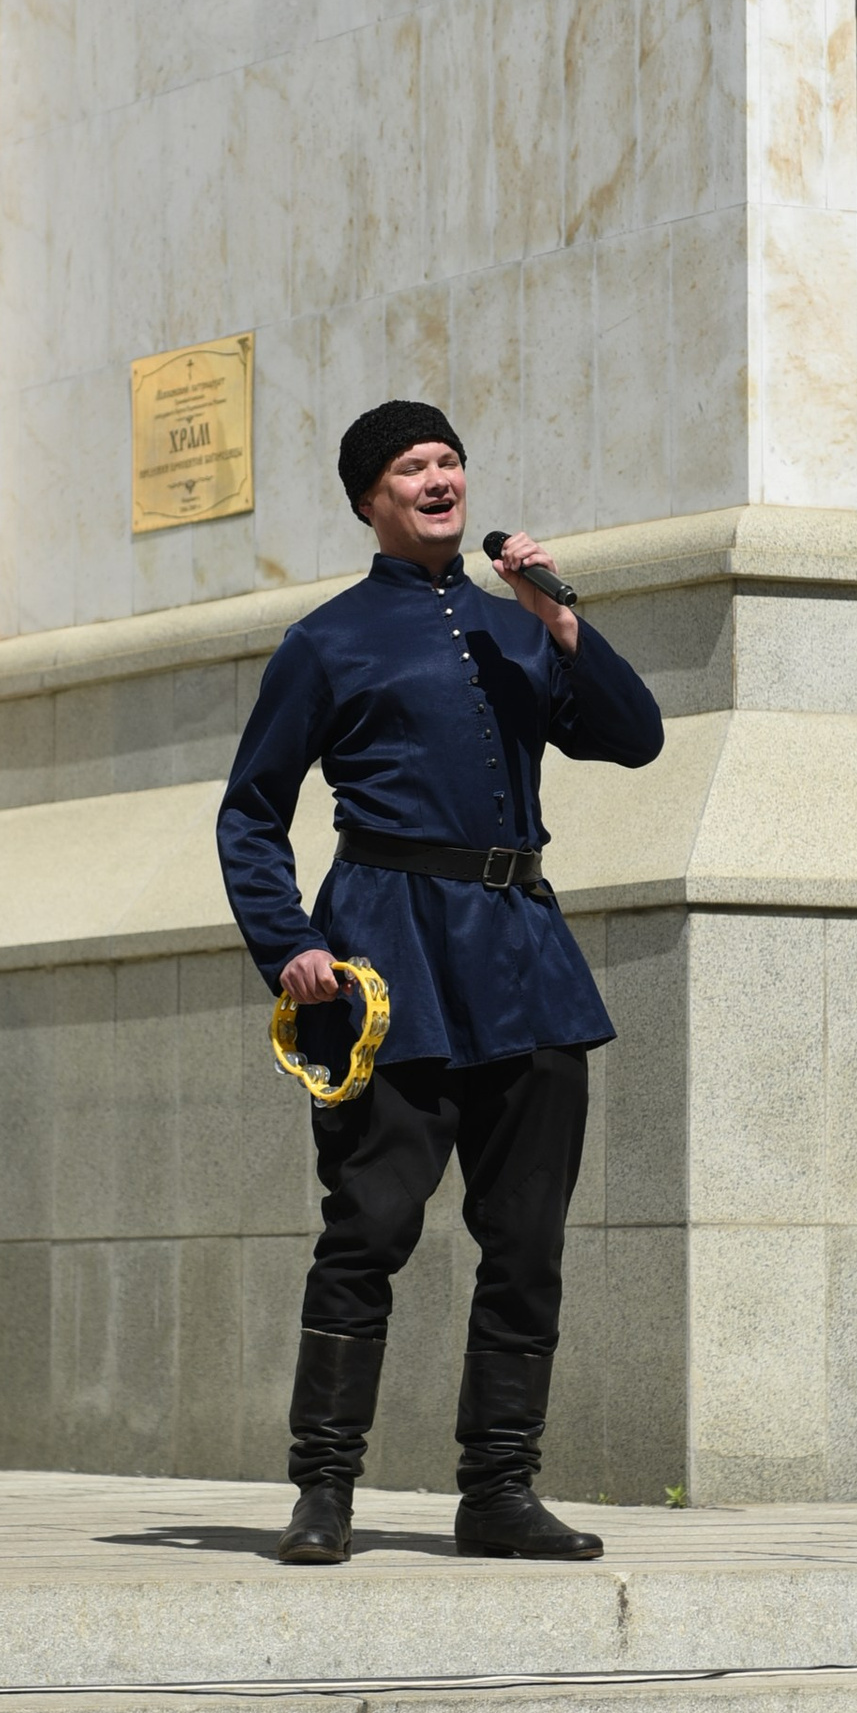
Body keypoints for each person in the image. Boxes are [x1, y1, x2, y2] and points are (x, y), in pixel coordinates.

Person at [217, 402, 664, 1567]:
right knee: (366, 1231)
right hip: (387, 957)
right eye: (413, 465)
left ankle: (499, 1490)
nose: (438, 476)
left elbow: (634, 737)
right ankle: (323, 1491)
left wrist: (562, 616)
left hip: (524, 957)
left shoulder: (521, 625)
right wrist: (287, 945)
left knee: (526, 1240)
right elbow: (252, 812)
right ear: (371, 497)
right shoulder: (327, 640)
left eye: (450, 460)